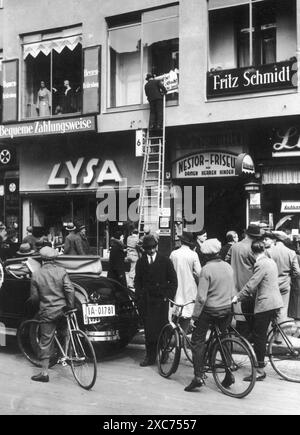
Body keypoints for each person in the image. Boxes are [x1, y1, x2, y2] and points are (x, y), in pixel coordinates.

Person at [185, 239, 235, 392]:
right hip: (226, 308)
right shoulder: (228, 266)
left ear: (206, 255)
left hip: (211, 310)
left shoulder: (206, 269)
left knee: (197, 340)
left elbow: (201, 298)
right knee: (224, 337)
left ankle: (198, 376)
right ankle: (229, 372)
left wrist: (194, 317)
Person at [233, 240, 283, 381]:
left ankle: (260, 369)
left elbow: (251, 285)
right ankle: (261, 359)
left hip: (265, 304)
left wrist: (237, 297)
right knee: (260, 334)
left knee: (258, 337)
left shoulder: (260, 264)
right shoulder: (271, 261)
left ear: (252, 253)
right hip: (275, 301)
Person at [29, 246, 75, 383]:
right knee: (66, 331)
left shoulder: (36, 274)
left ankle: (44, 373)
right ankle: (68, 355)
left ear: (42, 260)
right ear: (54, 259)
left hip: (47, 311)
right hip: (62, 310)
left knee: (45, 341)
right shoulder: (61, 271)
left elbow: (34, 298)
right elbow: (70, 290)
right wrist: (70, 306)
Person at [134, 234, 177, 367]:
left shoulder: (165, 260)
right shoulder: (141, 262)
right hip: (147, 302)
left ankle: (163, 353)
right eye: (148, 248)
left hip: (161, 302)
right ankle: (150, 356)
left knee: (162, 329)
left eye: (153, 248)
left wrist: (168, 296)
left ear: (156, 247)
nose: (151, 250)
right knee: (149, 331)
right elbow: (137, 281)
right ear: (144, 248)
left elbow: (173, 282)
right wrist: (140, 296)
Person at [226, 224, 263, 338]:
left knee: (239, 312)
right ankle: (247, 339)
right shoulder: (254, 248)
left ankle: (240, 337)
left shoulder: (235, 246)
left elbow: (227, 260)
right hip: (249, 284)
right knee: (249, 314)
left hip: (235, 283)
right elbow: (260, 264)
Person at [266, 230, 300, 325]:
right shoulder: (291, 252)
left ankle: (270, 334)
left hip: (271, 284)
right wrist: (289, 277)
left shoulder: (268, 252)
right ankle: (279, 337)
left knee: (270, 308)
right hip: (285, 284)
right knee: (282, 310)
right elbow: (297, 271)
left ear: (275, 240)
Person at [170, 231, 201, 333]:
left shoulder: (173, 254)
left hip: (175, 284)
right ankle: (185, 333)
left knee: (177, 307)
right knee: (188, 309)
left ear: (181, 241)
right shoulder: (193, 254)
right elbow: (199, 272)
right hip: (189, 285)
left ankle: (175, 333)